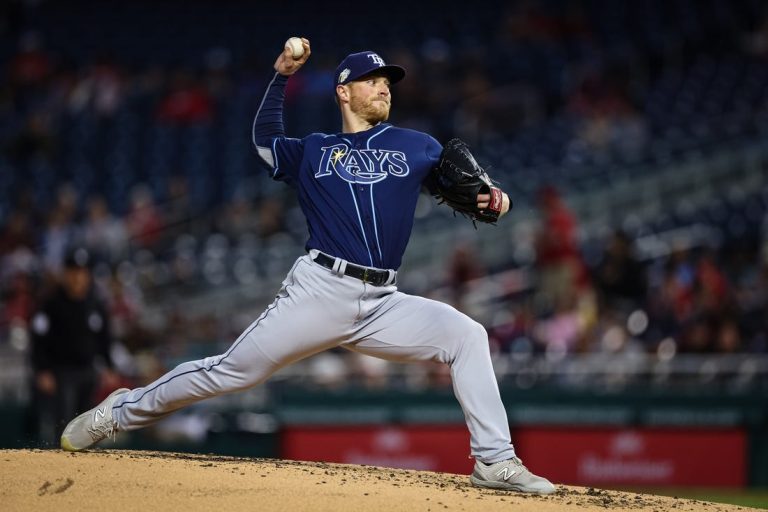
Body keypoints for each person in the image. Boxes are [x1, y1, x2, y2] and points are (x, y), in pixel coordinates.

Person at [60, 38, 555, 494]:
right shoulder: (314, 150)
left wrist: (496, 200)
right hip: (319, 290)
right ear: (344, 91)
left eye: (387, 81)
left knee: (467, 336)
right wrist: (281, 76)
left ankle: (494, 460)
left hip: (383, 301)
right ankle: (119, 412)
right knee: (230, 373)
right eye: (371, 80)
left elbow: (479, 193)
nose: (384, 86)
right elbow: (264, 141)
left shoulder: (418, 146)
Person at [31, 247, 120, 445]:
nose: (78, 277)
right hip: (62, 372)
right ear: (65, 273)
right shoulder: (51, 303)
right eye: (73, 271)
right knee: (65, 423)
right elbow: (37, 340)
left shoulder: (95, 304)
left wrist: (109, 367)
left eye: (82, 272)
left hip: (89, 371)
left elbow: (104, 339)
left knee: (90, 425)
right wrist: (42, 370)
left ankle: (87, 464)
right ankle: (60, 462)